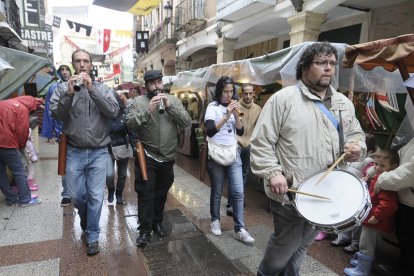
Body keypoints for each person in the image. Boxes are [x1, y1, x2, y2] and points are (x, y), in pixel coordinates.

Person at [250, 42, 366, 275]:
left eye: (332, 63)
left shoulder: (343, 103)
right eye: (321, 63)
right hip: (291, 191)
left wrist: (358, 148)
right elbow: (261, 142)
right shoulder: (283, 99)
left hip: (326, 193)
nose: (329, 68)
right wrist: (274, 173)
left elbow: (357, 135)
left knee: (303, 244)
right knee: (286, 244)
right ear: (304, 68)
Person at [50, 49, 119, 256]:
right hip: (75, 151)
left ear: (91, 66)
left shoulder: (103, 89)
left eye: (85, 61)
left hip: (98, 152)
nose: (82, 65)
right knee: (76, 195)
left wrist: (93, 91)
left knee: (96, 196)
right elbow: (57, 114)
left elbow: (114, 111)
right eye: (78, 61)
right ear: (73, 65)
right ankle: (86, 219)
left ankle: (93, 235)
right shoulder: (62, 88)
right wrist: (69, 94)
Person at [126, 70, 191, 248]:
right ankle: (145, 230)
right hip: (146, 155)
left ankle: (157, 222)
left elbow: (186, 122)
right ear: (146, 86)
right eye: (153, 83)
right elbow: (129, 124)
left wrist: (170, 107)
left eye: (159, 82)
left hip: (168, 157)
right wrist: (148, 111)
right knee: (146, 193)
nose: (157, 86)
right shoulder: (138, 102)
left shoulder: (174, 100)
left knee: (161, 192)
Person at [205, 76, 255, 246]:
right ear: (219, 91)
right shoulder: (212, 108)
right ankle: (215, 220)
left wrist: (236, 115)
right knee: (217, 191)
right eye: (225, 91)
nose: (229, 94)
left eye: (231, 91)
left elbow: (240, 132)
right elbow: (210, 131)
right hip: (217, 153)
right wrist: (226, 116)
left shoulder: (236, 106)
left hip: (233, 153)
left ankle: (239, 229)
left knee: (238, 192)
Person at [344, 148, 399, 276]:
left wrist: (377, 216)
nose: (378, 167)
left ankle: (362, 270)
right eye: (376, 164)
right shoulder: (381, 177)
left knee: (366, 243)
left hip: (374, 219)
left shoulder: (385, 182)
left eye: (382, 165)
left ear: (394, 166)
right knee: (368, 242)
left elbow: (389, 204)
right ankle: (363, 263)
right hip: (372, 217)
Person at [374, 137, 414, 276]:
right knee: (405, 237)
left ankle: (404, 270)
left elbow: (409, 172)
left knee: (409, 239)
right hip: (407, 198)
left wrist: (382, 179)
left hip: (411, 200)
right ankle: (402, 267)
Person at [330, 133, 376, 254]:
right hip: (344, 189)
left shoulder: (369, 160)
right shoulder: (349, 156)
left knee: (355, 219)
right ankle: (343, 237)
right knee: (343, 215)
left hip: (356, 192)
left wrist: (365, 179)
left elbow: (369, 176)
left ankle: (355, 242)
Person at [0, 96, 43, 207]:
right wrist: (21, 146)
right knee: (19, 171)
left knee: (1, 173)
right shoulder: (22, 109)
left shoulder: (3, 103)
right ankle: (25, 199)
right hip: (8, 144)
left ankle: (10, 198)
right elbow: (22, 132)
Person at [41, 62, 74, 207]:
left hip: (82, 131)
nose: (65, 72)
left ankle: (79, 191)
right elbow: (50, 110)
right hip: (63, 132)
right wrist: (51, 133)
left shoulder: (82, 83)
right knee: (64, 163)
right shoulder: (54, 88)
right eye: (62, 70)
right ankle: (66, 194)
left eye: (67, 69)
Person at [226, 83, 261, 216]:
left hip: (249, 145)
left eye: (250, 93)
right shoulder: (235, 106)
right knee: (233, 174)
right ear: (241, 93)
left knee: (244, 174)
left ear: (253, 94)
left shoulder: (258, 109)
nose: (247, 96)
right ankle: (231, 203)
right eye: (245, 93)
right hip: (236, 144)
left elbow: (260, 128)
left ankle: (238, 200)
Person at [106, 92, 130, 205]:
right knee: (109, 174)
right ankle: (111, 190)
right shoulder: (105, 113)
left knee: (123, 174)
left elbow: (131, 130)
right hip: (108, 147)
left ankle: (119, 193)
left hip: (122, 146)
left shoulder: (125, 112)